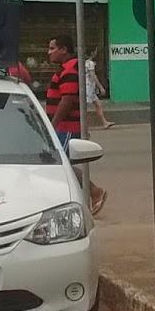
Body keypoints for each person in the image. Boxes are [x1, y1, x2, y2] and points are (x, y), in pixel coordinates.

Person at [46, 34, 107, 215]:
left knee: (60, 164)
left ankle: (95, 192)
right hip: (64, 126)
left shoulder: (70, 70)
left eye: (52, 48)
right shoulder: (66, 68)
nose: (49, 52)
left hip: (66, 127)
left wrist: (53, 125)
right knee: (60, 164)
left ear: (64, 49)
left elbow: (67, 99)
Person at [83, 47, 114, 129]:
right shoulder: (90, 63)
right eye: (95, 51)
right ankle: (83, 125)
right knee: (84, 107)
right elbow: (93, 76)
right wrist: (100, 87)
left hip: (89, 88)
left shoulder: (84, 62)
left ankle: (104, 122)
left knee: (98, 104)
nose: (96, 53)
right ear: (92, 53)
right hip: (88, 87)